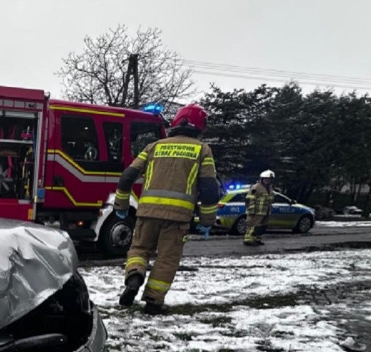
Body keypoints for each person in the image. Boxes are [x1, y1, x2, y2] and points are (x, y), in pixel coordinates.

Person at [114, 103, 220, 315]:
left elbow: (127, 177)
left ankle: (134, 277)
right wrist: (207, 221)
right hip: (178, 218)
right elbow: (209, 188)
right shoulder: (202, 149)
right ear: (200, 126)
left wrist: (122, 205)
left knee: (139, 250)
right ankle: (153, 301)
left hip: (147, 213)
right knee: (167, 259)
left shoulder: (154, 146)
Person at [244, 170, 275, 246]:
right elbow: (250, 199)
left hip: (265, 212)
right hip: (256, 211)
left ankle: (257, 239)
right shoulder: (256, 187)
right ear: (262, 179)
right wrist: (251, 210)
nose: (267, 181)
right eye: (265, 179)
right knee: (252, 226)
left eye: (269, 179)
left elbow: (270, 200)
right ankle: (248, 240)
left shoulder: (270, 188)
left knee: (261, 227)